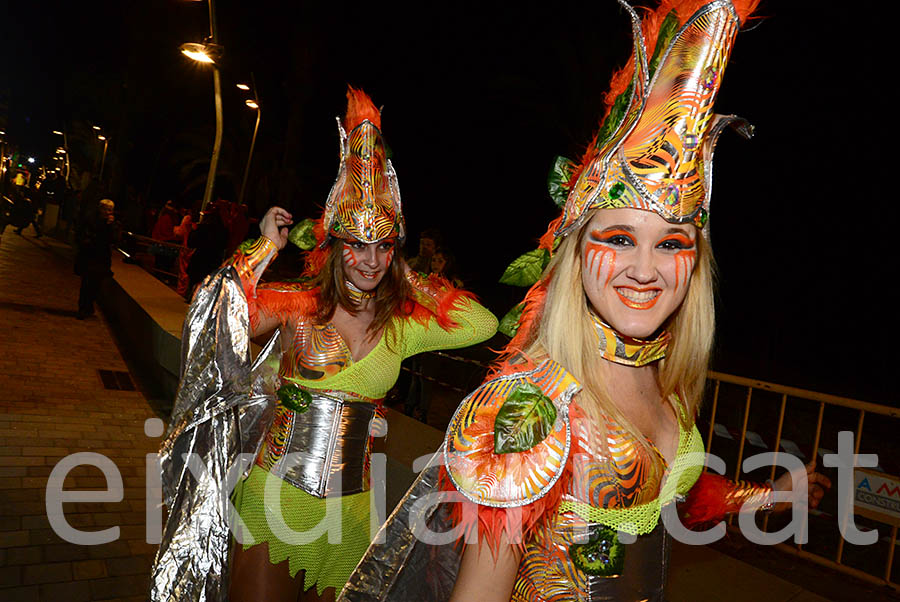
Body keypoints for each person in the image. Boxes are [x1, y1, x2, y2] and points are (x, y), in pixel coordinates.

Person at [340, 2, 830, 601]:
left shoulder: (662, 376)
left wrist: (770, 494)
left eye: (671, 242)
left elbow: (668, 493)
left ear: (695, 260)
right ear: (575, 250)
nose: (645, 270)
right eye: (619, 237)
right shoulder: (530, 407)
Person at [149, 88, 498, 602]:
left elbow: (482, 324)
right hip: (276, 501)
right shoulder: (299, 305)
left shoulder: (402, 324)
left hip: (350, 516)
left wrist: (409, 273)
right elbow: (216, 310)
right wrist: (263, 246)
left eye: (383, 246)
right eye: (357, 243)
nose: (370, 260)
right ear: (334, 244)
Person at [75, 199, 115, 319]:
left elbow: (111, 239)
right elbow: (87, 233)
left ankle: (89, 306)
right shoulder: (92, 219)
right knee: (87, 282)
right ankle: (83, 308)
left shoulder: (110, 222)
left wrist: (110, 226)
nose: (108, 212)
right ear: (100, 208)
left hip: (102, 256)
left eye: (110, 210)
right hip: (90, 254)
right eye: (106, 209)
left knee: (96, 284)